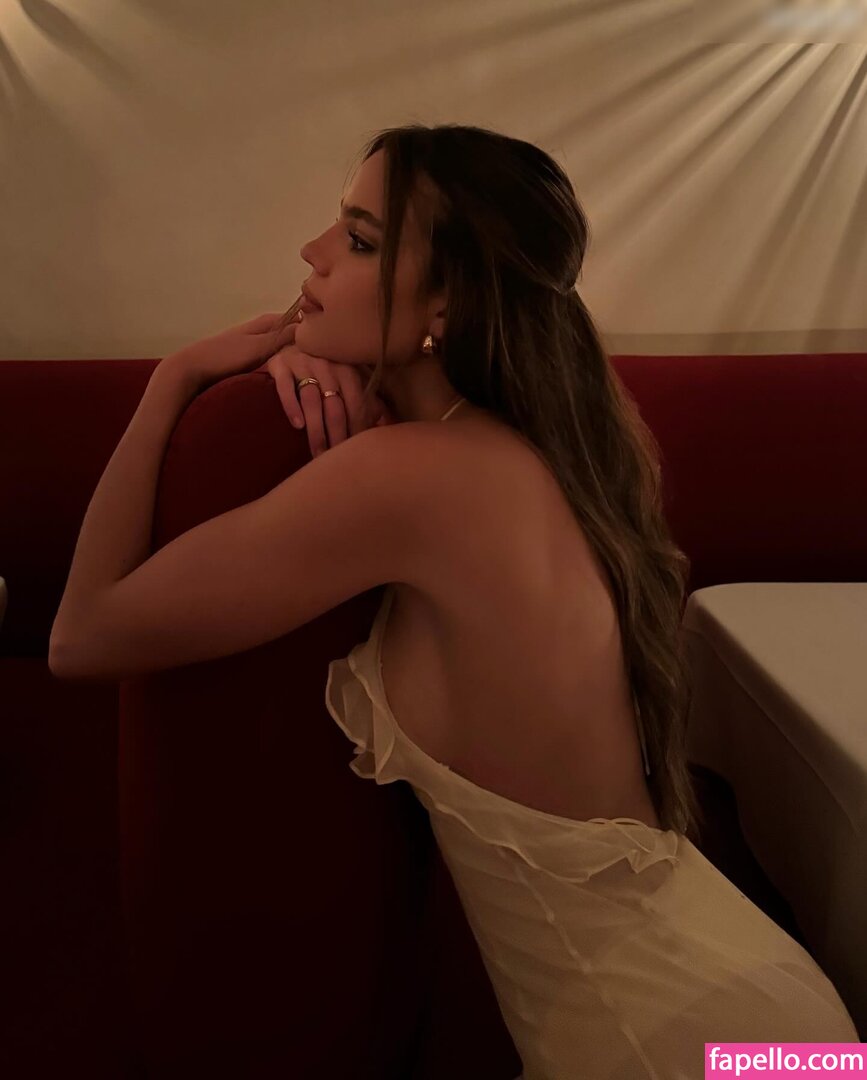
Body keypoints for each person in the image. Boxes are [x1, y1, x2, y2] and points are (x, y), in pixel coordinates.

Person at [270, 124, 859, 1077]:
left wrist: (178, 379)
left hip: (672, 1045)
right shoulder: (539, 453)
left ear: (448, 299)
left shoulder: (421, 475)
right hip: (768, 1017)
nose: (312, 251)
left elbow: (85, 633)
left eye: (360, 238)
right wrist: (286, 348)